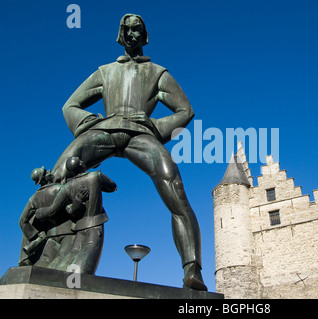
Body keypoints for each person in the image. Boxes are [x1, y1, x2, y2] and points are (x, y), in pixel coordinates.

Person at [50, 14, 206, 290]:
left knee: (175, 186)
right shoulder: (104, 71)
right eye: (127, 30)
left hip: (141, 135)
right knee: (60, 171)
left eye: (137, 30)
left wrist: (156, 126)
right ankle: (47, 253)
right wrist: (90, 124)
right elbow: (70, 106)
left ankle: (192, 270)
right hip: (104, 132)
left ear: (145, 36)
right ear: (120, 35)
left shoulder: (158, 73)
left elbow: (185, 110)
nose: (132, 34)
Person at [35, 157, 117, 274]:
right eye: (80, 161)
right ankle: (73, 287)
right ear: (80, 166)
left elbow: (53, 210)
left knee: (69, 259)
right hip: (94, 226)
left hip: (78, 229)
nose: (83, 162)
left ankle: (54, 280)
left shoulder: (66, 187)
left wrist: (76, 203)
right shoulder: (95, 176)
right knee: (84, 269)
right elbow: (113, 187)